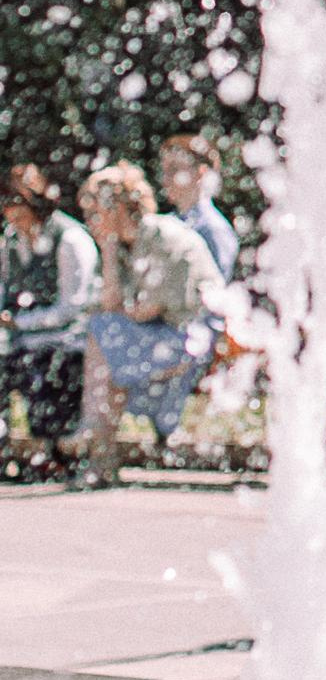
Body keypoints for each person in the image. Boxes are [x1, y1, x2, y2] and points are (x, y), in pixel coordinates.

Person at [77, 161, 220, 476]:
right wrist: (110, 250)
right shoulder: (123, 244)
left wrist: (119, 312)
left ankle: (97, 442)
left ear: (117, 208)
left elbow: (146, 309)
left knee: (102, 340)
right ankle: (99, 444)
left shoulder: (159, 234)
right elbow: (112, 306)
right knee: (102, 336)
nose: (89, 222)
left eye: (94, 211)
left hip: (194, 337)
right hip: (161, 334)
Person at [1, 164, 97, 458]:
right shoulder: (11, 240)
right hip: (22, 338)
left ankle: (53, 450)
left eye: (15, 203)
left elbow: (73, 306)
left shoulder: (68, 238)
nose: (9, 213)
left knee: (44, 365)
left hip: (67, 338)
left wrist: (21, 322)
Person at [157, 131, 239, 285]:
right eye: (164, 170)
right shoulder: (170, 222)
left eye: (173, 170)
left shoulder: (213, 228)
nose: (165, 179)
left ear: (201, 173)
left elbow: (216, 290)